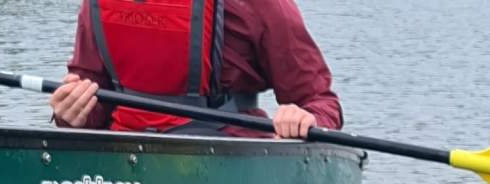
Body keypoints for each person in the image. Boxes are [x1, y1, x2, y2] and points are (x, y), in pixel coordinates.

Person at [47, 0, 341, 139]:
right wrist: (72, 113)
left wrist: (305, 119)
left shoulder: (260, 5)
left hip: (223, 160)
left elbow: (322, 104)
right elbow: (93, 105)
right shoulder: (96, 5)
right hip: (125, 162)